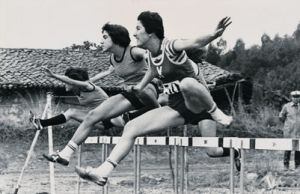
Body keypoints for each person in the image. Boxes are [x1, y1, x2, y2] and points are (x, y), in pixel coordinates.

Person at [75, 11, 233, 186]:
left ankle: (217, 113)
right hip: (177, 107)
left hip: (199, 105)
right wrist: (140, 87)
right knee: (131, 127)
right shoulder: (150, 56)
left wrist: (214, 34)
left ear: (150, 32)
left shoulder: (171, 46)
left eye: (138, 28)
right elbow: (151, 71)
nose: (134, 33)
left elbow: (195, 42)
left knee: (188, 87)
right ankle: (103, 172)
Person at [43, 23, 160, 166]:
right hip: (131, 93)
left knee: (141, 91)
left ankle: (157, 108)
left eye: (105, 37)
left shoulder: (133, 51)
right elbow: (109, 72)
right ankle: (66, 154)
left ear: (116, 39)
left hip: (149, 88)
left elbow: (152, 55)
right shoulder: (112, 59)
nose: (101, 41)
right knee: (92, 116)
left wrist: (158, 71)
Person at [30, 67, 124, 134]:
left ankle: (129, 121)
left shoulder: (87, 86)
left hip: (112, 117)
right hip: (100, 119)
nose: (65, 84)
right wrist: (108, 71)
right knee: (71, 112)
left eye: (66, 82)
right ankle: (41, 123)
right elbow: (98, 76)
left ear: (74, 82)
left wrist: (53, 75)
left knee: (119, 120)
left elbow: (70, 81)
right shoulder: (82, 87)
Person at [279, 90, 300, 170]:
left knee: (298, 148)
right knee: (288, 147)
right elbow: (281, 116)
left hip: (299, 131)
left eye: (298, 97)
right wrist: (287, 125)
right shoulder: (286, 106)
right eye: (294, 97)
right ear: (291, 98)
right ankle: (286, 165)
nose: (296, 99)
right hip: (289, 131)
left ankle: (297, 166)